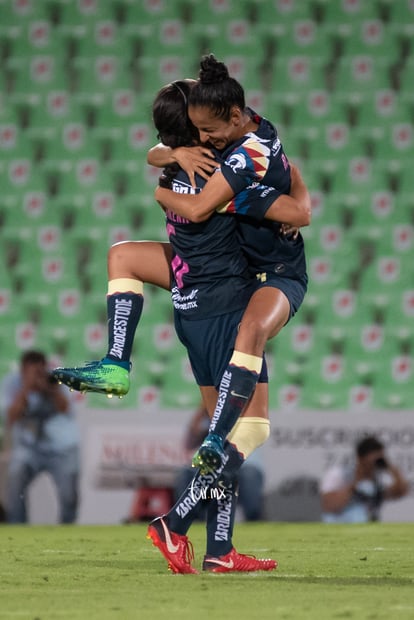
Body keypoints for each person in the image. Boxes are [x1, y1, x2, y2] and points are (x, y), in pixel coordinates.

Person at [53, 76, 309, 572]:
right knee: (247, 430)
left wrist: (165, 164)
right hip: (223, 301)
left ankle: (220, 551)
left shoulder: (184, 158)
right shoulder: (226, 172)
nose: (207, 134)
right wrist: (168, 189)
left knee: (121, 256)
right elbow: (284, 207)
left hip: (186, 297)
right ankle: (175, 523)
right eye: (200, 129)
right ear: (194, 135)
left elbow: (158, 152)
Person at [153, 54, 309, 474]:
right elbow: (157, 152)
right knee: (123, 257)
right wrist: (178, 155)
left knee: (252, 330)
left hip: (276, 272)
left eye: (207, 131)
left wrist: (162, 195)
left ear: (235, 117)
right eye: (197, 130)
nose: (202, 139)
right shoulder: (250, 125)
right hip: (242, 272)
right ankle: (210, 535)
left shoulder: (242, 160)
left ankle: (217, 439)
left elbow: (203, 207)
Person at [0, 350, 79, 524]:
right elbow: (11, 417)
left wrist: (51, 389)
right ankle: (17, 527)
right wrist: (26, 388)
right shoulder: (12, 383)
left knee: (69, 494)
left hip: (61, 447)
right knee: (15, 476)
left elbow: (65, 408)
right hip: (29, 448)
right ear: (22, 371)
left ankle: (69, 529)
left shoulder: (57, 380)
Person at [174, 403, 265, 521]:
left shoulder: (245, 414)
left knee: (250, 475)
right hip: (209, 467)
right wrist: (202, 410)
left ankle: (254, 523)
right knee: (186, 474)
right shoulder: (208, 419)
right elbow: (189, 444)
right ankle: (192, 525)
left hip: (244, 465)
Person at [320, 435, 409, 523]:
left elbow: (400, 492)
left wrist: (391, 469)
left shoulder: (378, 479)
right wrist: (356, 483)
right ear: (360, 458)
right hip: (341, 526)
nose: (374, 465)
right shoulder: (339, 474)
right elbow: (328, 505)